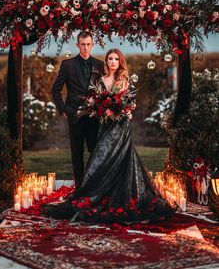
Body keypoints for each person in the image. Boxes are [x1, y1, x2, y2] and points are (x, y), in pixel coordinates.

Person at [45, 49, 174, 223]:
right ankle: (93, 192)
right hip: (104, 125)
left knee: (119, 158)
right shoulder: (99, 80)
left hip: (120, 126)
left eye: (116, 59)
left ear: (120, 62)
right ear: (106, 62)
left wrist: (124, 110)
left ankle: (118, 192)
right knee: (100, 158)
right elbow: (95, 101)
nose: (113, 61)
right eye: (110, 59)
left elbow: (132, 104)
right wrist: (100, 108)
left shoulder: (124, 80)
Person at [51, 31, 104, 188]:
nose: (86, 48)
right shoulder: (67, 65)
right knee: (77, 154)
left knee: (95, 153)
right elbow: (55, 90)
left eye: (88, 44)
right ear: (77, 45)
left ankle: (92, 185)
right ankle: (80, 187)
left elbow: (105, 90)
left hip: (94, 116)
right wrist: (64, 110)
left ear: (92, 45)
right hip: (74, 115)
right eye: (83, 44)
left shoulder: (100, 65)